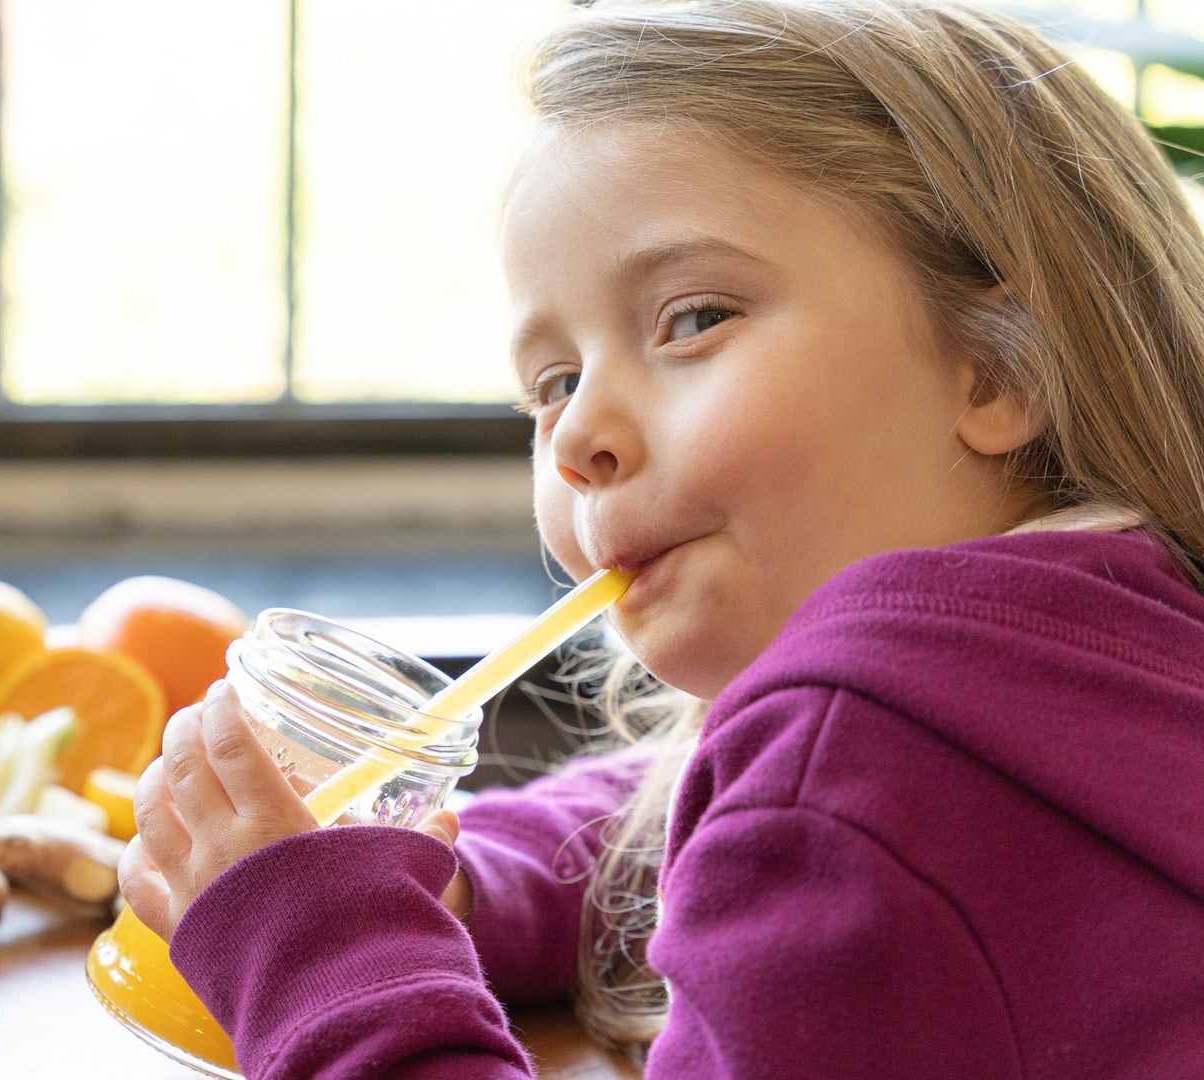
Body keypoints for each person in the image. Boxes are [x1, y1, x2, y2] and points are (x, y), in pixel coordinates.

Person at [117, 1, 1204, 1076]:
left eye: (693, 319)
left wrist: (324, 962)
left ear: (1000, 366)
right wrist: (470, 881)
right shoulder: (1105, 644)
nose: (578, 432)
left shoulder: (857, 761)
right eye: (551, 385)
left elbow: (812, 807)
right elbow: (689, 804)